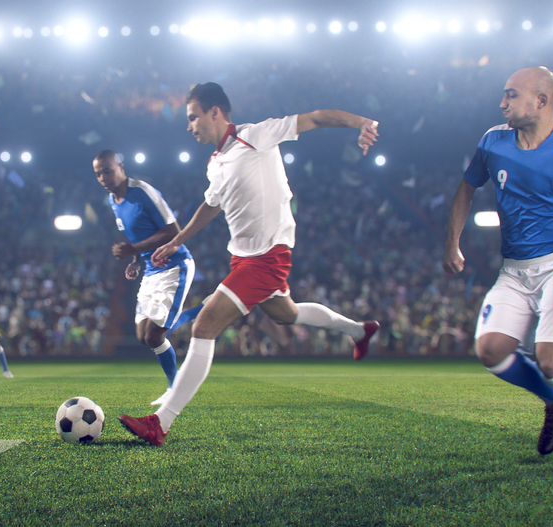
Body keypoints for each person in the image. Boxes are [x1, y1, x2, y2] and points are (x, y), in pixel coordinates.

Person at [119, 82, 381, 446]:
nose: (189, 125)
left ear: (216, 112)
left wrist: (361, 122)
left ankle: (160, 423)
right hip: (244, 255)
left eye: (193, 117)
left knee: (205, 324)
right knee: (286, 313)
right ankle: (358, 330)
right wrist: (177, 240)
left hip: (269, 254)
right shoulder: (215, 162)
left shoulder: (256, 135)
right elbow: (210, 206)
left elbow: (317, 119)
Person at [443, 67, 553, 466]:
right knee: (491, 350)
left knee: (552, 359)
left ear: (541, 101)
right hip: (514, 268)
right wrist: (452, 241)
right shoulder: (493, 141)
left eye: (511, 95)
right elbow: (467, 186)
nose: (502, 103)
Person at [94, 149, 196, 405]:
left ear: (121, 167)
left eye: (107, 170)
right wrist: (135, 260)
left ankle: (175, 390)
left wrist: (133, 250)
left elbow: (173, 230)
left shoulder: (142, 192)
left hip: (174, 265)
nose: (103, 177)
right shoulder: (112, 201)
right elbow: (138, 237)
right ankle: (199, 312)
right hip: (150, 270)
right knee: (143, 335)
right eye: (98, 174)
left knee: (154, 336)